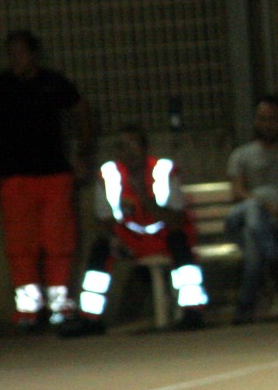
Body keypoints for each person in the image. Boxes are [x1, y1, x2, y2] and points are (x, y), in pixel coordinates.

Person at [0, 30, 96, 330]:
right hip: (14, 178)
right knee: (20, 247)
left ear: (34, 55)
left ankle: (59, 306)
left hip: (54, 175)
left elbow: (82, 113)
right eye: (10, 53)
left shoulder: (54, 83)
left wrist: (83, 154)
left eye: (20, 52)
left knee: (59, 243)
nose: (14, 58)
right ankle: (28, 310)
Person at [61, 124, 208, 337]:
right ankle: (90, 318)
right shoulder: (108, 174)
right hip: (130, 239)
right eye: (122, 146)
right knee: (100, 247)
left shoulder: (164, 170)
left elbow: (176, 220)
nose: (129, 151)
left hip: (164, 237)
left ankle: (193, 312)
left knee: (180, 242)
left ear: (145, 148)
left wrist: (145, 199)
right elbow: (103, 219)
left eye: (133, 144)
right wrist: (115, 237)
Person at [225, 94, 278, 324]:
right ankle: (270, 252)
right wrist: (268, 206)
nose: (267, 124)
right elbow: (238, 192)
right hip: (240, 219)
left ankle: (244, 308)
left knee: (253, 241)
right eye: (262, 119)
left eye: (273, 119)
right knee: (255, 205)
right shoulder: (241, 155)